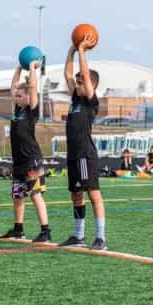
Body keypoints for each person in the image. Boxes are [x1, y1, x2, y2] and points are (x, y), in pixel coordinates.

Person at [58, 35, 107, 250]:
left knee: (93, 194)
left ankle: (100, 238)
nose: (76, 84)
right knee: (76, 195)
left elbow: (84, 75)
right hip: (73, 155)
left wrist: (82, 51)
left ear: (91, 86)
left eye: (80, 82)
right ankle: (78, 236)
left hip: (86, 155)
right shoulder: (75, 100)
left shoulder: (90, 101)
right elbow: (68, 74)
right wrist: (71, 51)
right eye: (77, 82)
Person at [0, 60, 51, 243]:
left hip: (32, 161)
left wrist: (31, 69)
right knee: (17, 195)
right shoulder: (17, 111)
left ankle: (45, 231)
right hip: (19, 163)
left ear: (29, 97)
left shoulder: (31, 111)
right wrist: (18, 69)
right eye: (17, 96)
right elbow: (13, 87)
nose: (17, 98)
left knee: (35, 194)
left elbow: (34, 87)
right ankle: (18, 229)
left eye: (21, 96)